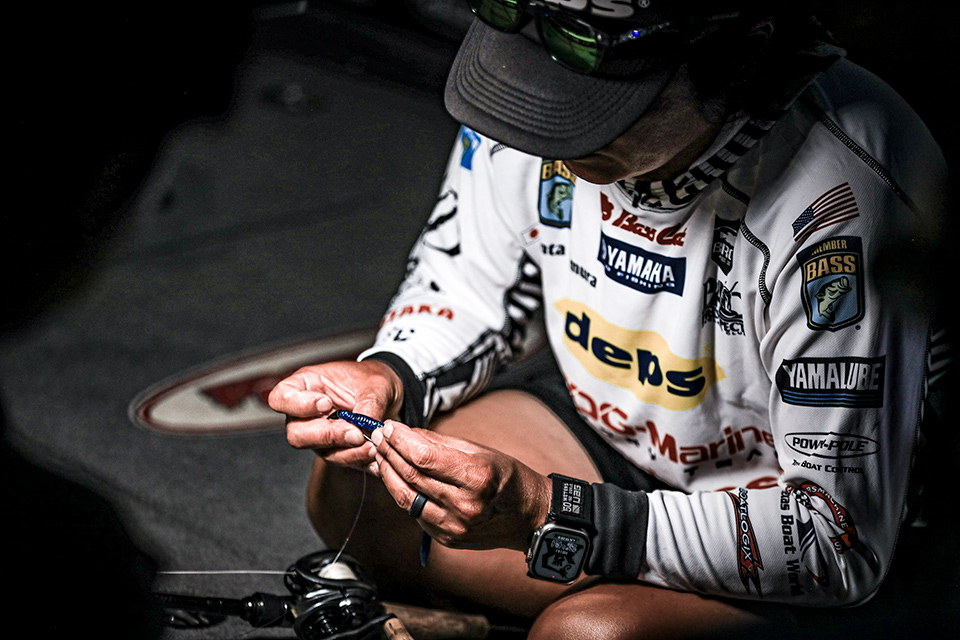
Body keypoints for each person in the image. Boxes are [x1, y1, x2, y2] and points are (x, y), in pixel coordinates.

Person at [269, 1, 953, 637]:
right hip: (621, 439)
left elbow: (836, 542)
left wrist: (551, 515)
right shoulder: (528, 94)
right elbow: (471, 285)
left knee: (587, 635)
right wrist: (393, 375)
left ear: (742, 58)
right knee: (356, 492)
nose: (546, 128)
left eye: (594, 107)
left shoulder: (845, 199)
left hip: (820, 520)